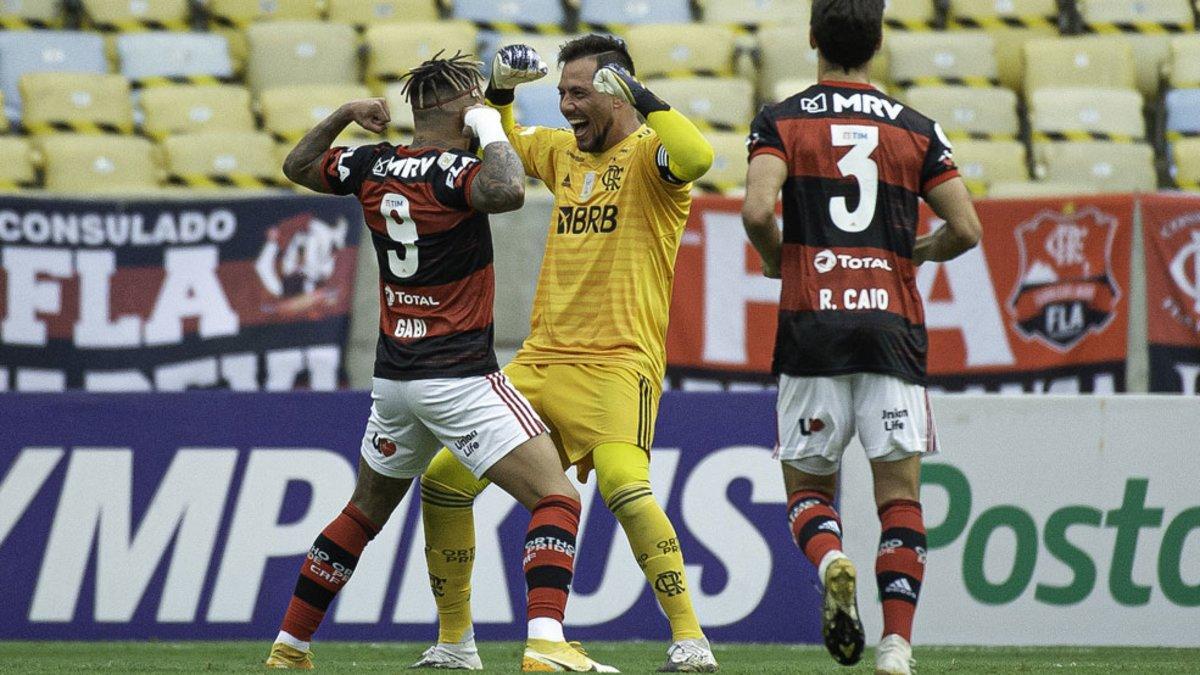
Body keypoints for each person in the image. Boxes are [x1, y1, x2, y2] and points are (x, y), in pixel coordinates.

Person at [263, 51, 616, 673]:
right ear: (459, 110)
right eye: (474, 99)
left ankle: (289, 647)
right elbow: (506, 190)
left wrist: (345, 113)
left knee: (362, 513)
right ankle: (545, 645)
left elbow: (297, 165)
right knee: (558, 498)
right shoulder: (454, 171)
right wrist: (487, 129)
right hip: (458, 378)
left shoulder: (373, 162)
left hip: (395, 381)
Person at [411, 36, 720, 673]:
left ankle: (691, 640)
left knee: (624, 486)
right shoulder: (562, 154)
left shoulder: (651, 160)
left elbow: (699, 155)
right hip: (540, 361)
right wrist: (499, 91)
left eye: (579, 93)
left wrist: (644, 98)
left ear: (616, 92)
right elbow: (497, 140)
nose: (566, 106)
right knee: (443, 481)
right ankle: (454, 646)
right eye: (561, 93)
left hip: (618, 362)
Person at [740, 2, 982, 674]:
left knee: (810, 492)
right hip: (892, 331)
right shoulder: (917, 129)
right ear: (878, 43)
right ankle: (896, 646)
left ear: (813, 38)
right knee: (899, 495)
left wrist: (776, 256)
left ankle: (832, 558)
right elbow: (967, 228)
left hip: (812, 329)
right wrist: (920, 252)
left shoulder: (781, 120)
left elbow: (758, 209)